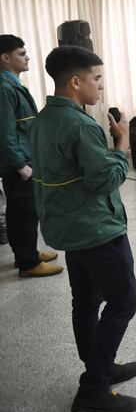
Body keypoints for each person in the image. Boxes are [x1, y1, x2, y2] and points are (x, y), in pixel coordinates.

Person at [31, 46, 136, 412]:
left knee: (86, 299)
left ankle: (100, 363)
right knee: (124, 301)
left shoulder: (43, 119)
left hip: (68, 227)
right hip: (96, 229)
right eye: (96, 79)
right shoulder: (80, 125)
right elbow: (106, 179)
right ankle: (94, 386)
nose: (100, 87)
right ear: (76, 82)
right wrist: (122, 143)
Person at [0, 34, 63, 277]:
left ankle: (28, 253)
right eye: (21, 54)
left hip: (24, 158)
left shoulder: (13, 84)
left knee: (25, 210)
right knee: (24, 211)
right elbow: (4, 133)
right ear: (5, 58)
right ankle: (28, 263)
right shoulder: (4, 88)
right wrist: (19, 165)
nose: (27, 57)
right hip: (18, 163)